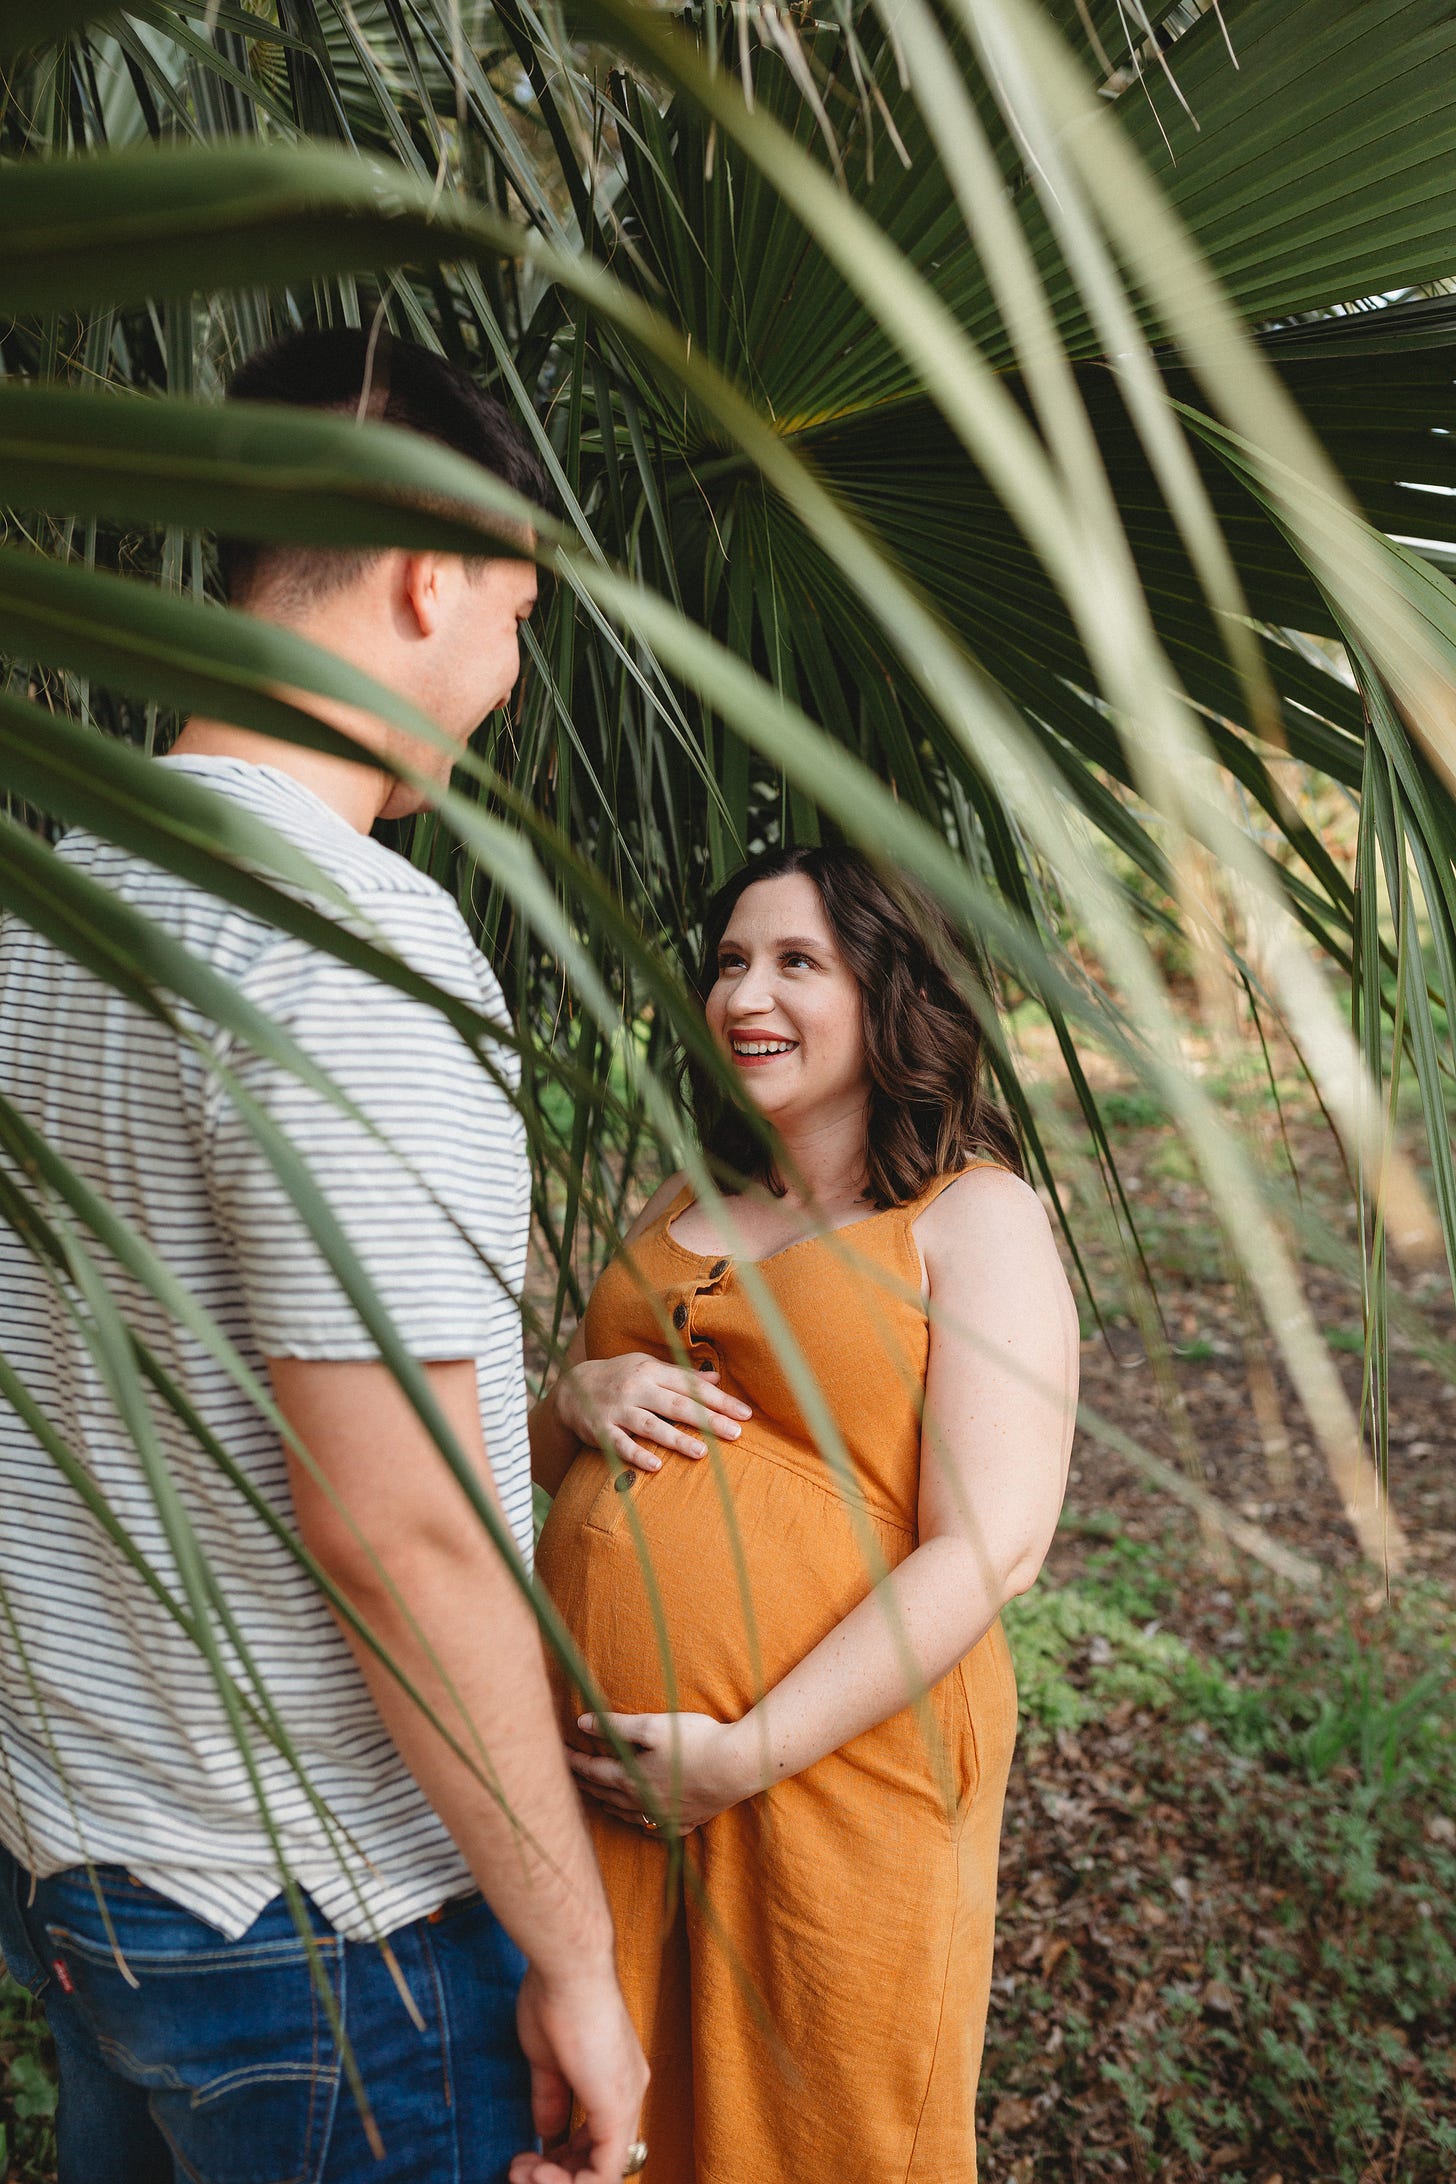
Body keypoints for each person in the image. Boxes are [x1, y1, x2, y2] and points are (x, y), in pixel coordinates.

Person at [0, 328, 646, 2184]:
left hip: (94, 1875)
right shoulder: (353, 947)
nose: (513, 676)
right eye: (517, 614)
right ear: (432, 577)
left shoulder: (52, 904)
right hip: (328, 1940)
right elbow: (397, 1528)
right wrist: (578, 1957)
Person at [529, 845, 1078, 2182]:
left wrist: (745, 1750)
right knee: (610, 2121)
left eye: (795, 962)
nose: (743, 994)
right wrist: (580, 1387)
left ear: (894, 992)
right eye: (727, 962)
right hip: (599, 1779)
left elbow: (994, 1545)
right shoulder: (684, 1195)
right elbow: (551, 1458)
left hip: (835, 1775)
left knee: (818, 2122)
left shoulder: (975, 1216)